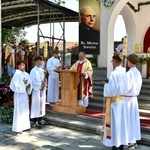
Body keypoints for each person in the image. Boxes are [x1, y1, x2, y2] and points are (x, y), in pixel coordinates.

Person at [102, 55, 128, 150]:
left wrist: (106, 85)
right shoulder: (125, 73)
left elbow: (111, 90)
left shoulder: (113, 74)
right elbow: (126, 87)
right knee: (121, 123)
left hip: (114, 103)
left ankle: (115, 144)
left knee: (114, 124)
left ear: (116, 62)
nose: (112, 62)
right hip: (121, 101)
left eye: (112, 61)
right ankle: (121, 144)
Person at [124, 54, 142, 149]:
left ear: (130, 61)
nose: (127, 62)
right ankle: (133, 139)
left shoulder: (129, 73)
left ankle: (128, 140)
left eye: (128, 61)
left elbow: (126, 87)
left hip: (127, 99)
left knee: (127, 119)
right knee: (133, 119)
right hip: (134, 99)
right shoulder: (138, 73)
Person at [10, 60, 32, 133]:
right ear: (18, 66)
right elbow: (14, 85)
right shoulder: (16, 74)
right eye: (22, 65)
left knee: (25, 110)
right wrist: (23, 88)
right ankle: (18, 127)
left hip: (25, 95)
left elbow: (29, 82)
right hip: (19, 94)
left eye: (24, 65)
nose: (24, 66)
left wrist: (29, 87)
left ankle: (25, 126)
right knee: (19, 110)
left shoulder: (27, 74)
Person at [30, 56, 47, 127]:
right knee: (36, 104)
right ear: (36, 61)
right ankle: (35, 119)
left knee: (42, 104)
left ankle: (41, 118)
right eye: (40, 61)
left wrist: (45, 84)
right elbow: (32, 81)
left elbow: (44, 79)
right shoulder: (33, 71)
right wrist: (40, 85)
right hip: (37, 90)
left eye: (41, 61)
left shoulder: (42, 70)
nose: (41, 62)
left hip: (42, 90)